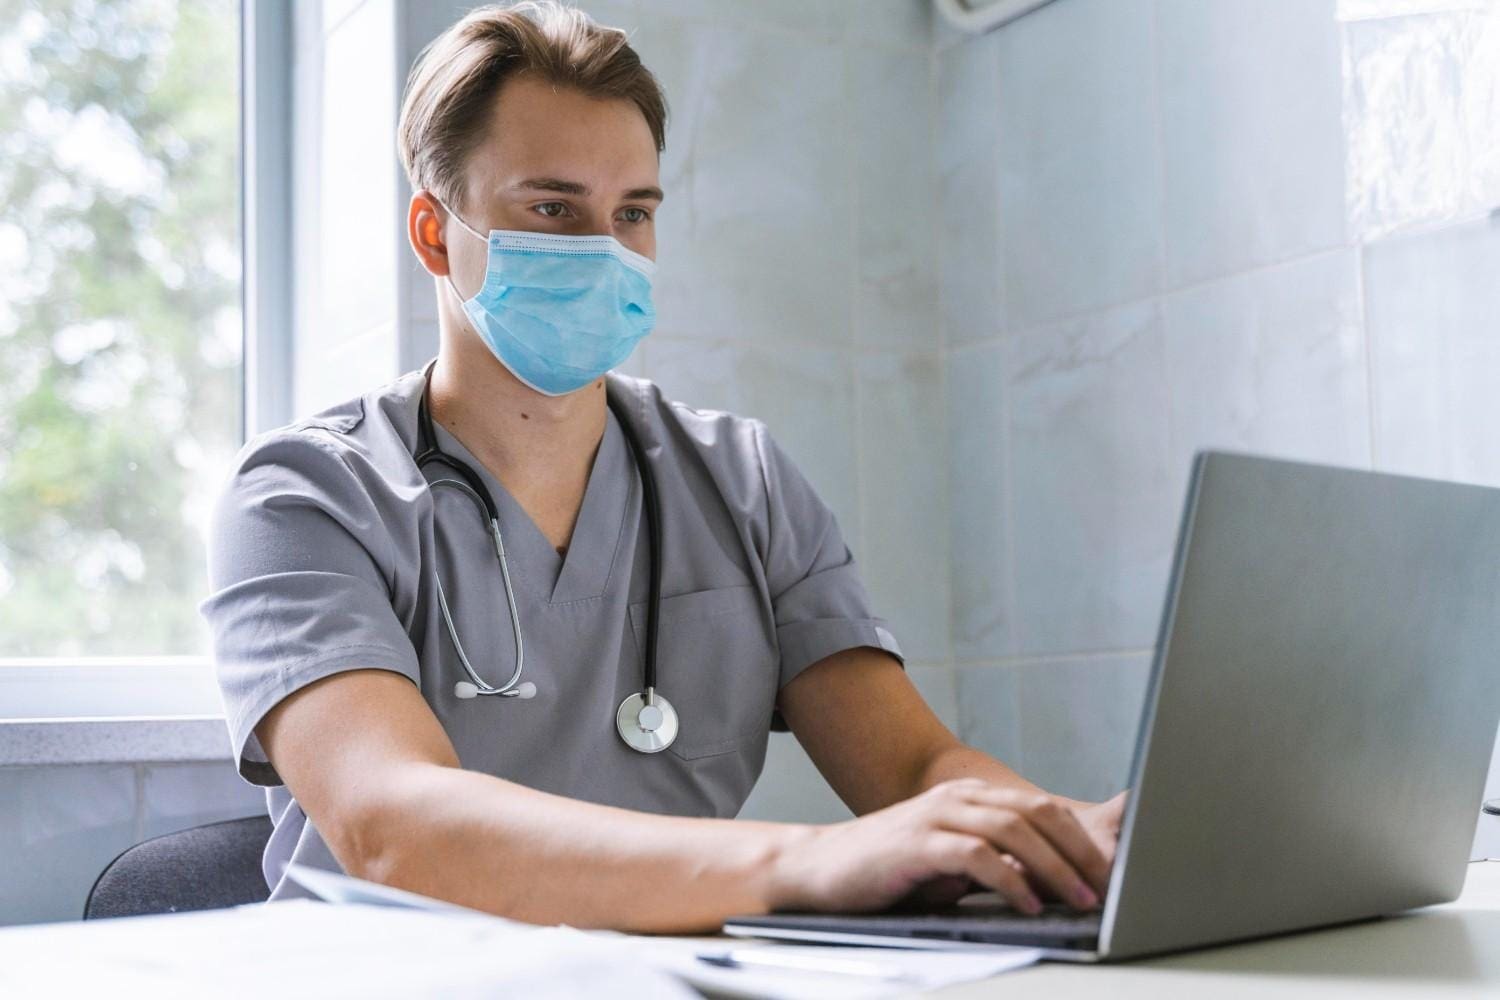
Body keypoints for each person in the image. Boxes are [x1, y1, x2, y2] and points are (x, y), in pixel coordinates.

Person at [200, 0, 1126, 933]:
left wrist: (1079, 842)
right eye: (553, 208)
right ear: (437, 234)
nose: (604, 250)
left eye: (633, 212)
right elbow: (394, 827)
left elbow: (916, 770)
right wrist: (812, 858)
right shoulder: (302, 499)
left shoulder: (742, 481)